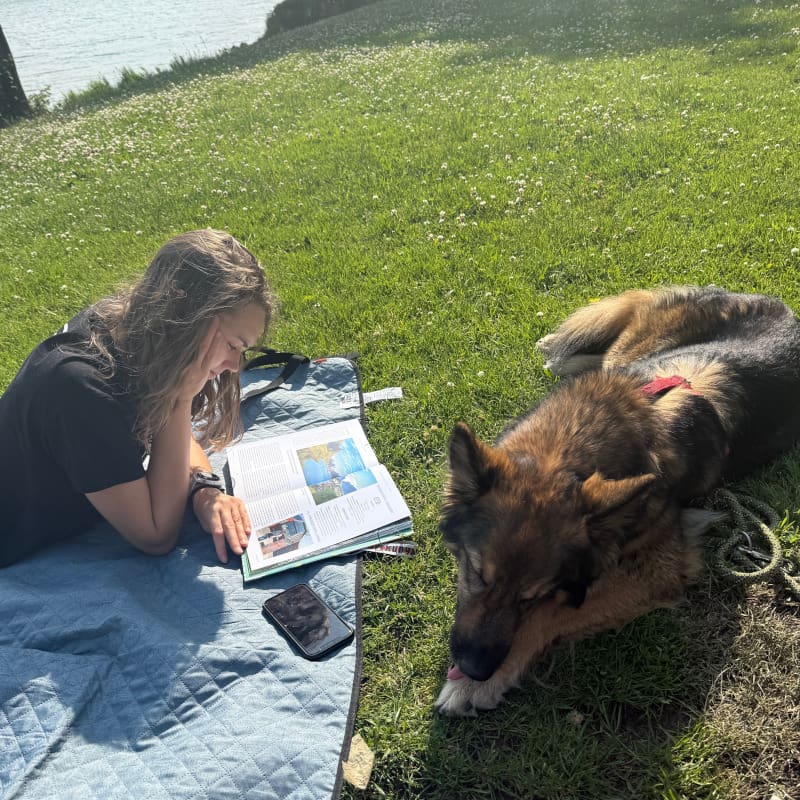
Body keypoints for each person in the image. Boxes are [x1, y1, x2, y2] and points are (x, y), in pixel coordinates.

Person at [0, 229, 272, 568]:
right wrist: (179, 398)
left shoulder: (137, 333)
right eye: (232, 345)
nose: (234, 366)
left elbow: (175, 437)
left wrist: (205, 491)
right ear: (183, 316)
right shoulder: (82, 388)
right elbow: (156, 536)